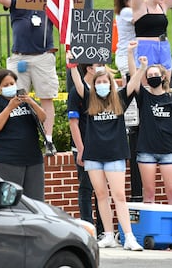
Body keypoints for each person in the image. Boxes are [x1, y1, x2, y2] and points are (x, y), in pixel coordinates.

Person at [67, 50, 146, 251]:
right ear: (94, 84)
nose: (102, 84)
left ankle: (128, 236)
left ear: (111, 83)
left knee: (119, 195)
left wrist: (141, 66)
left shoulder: (119, 98)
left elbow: (133, 84)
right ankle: (109, 235)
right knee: (101, 195)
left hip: (115, 154)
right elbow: (78, 84)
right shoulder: (89, 99)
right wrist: (72, 66)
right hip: (93, 155)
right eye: (98, 81)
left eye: (105, 81)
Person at [127, 40, 172, 249]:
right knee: (149, 193)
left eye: (155, 75)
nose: (153, 78)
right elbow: (134, 78)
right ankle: (150, 230)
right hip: (147, 151)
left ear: (163, 77)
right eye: (150, 76)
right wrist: (133, 56)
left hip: (168, 151)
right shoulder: (144, 97)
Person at [0, 0, 58, 156]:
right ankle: (22, 139)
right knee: (17, 97)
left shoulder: (50, 0)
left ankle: (48, 139)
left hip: (43, 57)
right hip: (20, 57)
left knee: (46, 97)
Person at [0, 68, 47, 201]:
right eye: (5, 85)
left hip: (32, 160)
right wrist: (9, 108)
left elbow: (42, 118)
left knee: (36, 201)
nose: (9, 87)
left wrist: (31, 102)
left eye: (12, 84)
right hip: (6, 161)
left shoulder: (25, 102)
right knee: (9, 201)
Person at [112, 0, 142, 202]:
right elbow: (141, 16)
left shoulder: (124, 11)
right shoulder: (126, 12)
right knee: (130, 95)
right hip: (126, 58)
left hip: (130, 56)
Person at [67, 62, 105, 236]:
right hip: (83, 147)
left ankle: (103, 228)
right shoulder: (77, 92)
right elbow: (73, 122)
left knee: (101, 189)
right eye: (99, 64)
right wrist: (81, 149)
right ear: (89, 68)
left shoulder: (102, 90)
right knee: (86, 187)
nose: (103, 66)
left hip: (101, 147)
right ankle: (88, 227)